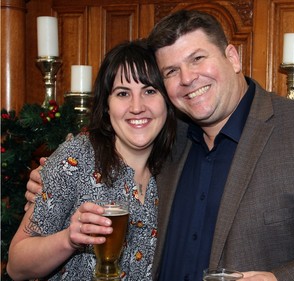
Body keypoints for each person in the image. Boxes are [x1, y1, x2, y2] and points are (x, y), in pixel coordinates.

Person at [25, 9, 294, 281]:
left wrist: (279, 278)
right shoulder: (168, 141)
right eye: (171, 71)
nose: (187, 79)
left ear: (233, 58)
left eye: (197, 59)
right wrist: (51, 178)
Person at [7, 40, 176, 281]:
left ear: (167, 102)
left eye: (149, 91)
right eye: (122, 93)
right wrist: (69, 239)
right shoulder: (76, 158)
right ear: (106, 105)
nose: (137, 107)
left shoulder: (175, 167)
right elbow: (16, 265)